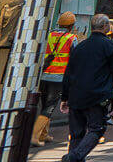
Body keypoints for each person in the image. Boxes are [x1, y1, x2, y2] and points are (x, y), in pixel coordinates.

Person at [60, 14, 113, 162]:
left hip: (76, 95)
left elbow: (69, 72)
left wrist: (64, 97)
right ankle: (74, 157)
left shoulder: (79, 47)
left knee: (77, 133)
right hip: (98, 95)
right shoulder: (111, 46)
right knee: (97, 129)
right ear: (106, 27)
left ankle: (74, 157)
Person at [34, 11, 79, 146]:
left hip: (44, 75)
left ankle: (43, 134)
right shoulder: (72, 38)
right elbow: (75, 59)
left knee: (44, 104)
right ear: (71, 25)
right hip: (59, 77)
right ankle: (34, 136)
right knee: (50, 106)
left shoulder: (49, 35)